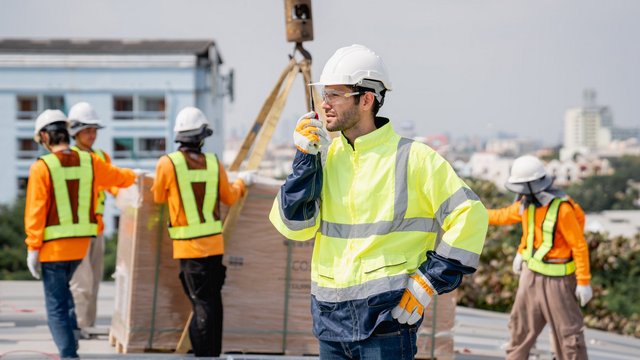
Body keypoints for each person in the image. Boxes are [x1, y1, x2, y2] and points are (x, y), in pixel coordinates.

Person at [269, 44, 488, 360]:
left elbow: (471, 215)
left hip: (386, 324)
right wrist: (305, 161)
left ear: (366, 99)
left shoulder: (414, 158)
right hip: (330, 324)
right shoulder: (325, 157)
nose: (323, 104)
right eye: (323, 94)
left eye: (335, 95)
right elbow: (294, 228)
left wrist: (427, 282)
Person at [25, 109, 136, 358]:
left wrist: (33, 248)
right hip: (81, 246)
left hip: (54, 250)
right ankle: (72, 342)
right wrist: (136, 174)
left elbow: (36, 211)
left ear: (45, 136)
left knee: (57, 306)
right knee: (68, 296)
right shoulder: (90, 160)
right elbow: (117, 177)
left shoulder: (42, 167)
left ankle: (68, 354)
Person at [152, 106, 254, 357]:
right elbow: (229, 197)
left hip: (188, 247)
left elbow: (157, 196)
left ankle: (205, 354)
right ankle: (208, 351)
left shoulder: (167, 164)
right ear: (202, 137)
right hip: (213, 246)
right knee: (210, 300)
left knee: (202, 303)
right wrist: (242, 182)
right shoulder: (213, 163)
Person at [487, 155, 592, 360]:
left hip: (558, 280)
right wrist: (473, 213)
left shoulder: (563, 209)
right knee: (520, 327)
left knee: (568, 334)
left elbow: (579, 245)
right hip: (530, 275)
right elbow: (503, 217)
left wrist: (584, 281)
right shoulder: (527, 204)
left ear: (532, 185)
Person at [67, 101, 119, 337]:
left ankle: (87, 324)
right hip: (77, 229)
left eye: (94, 130)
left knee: (95, 280)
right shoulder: (69, 158)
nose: (92, 135)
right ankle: (78, 326)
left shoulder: (101, 156)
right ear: (75, 132)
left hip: (97, 228)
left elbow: (112, 183)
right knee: (81, 282)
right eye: (87, 130)